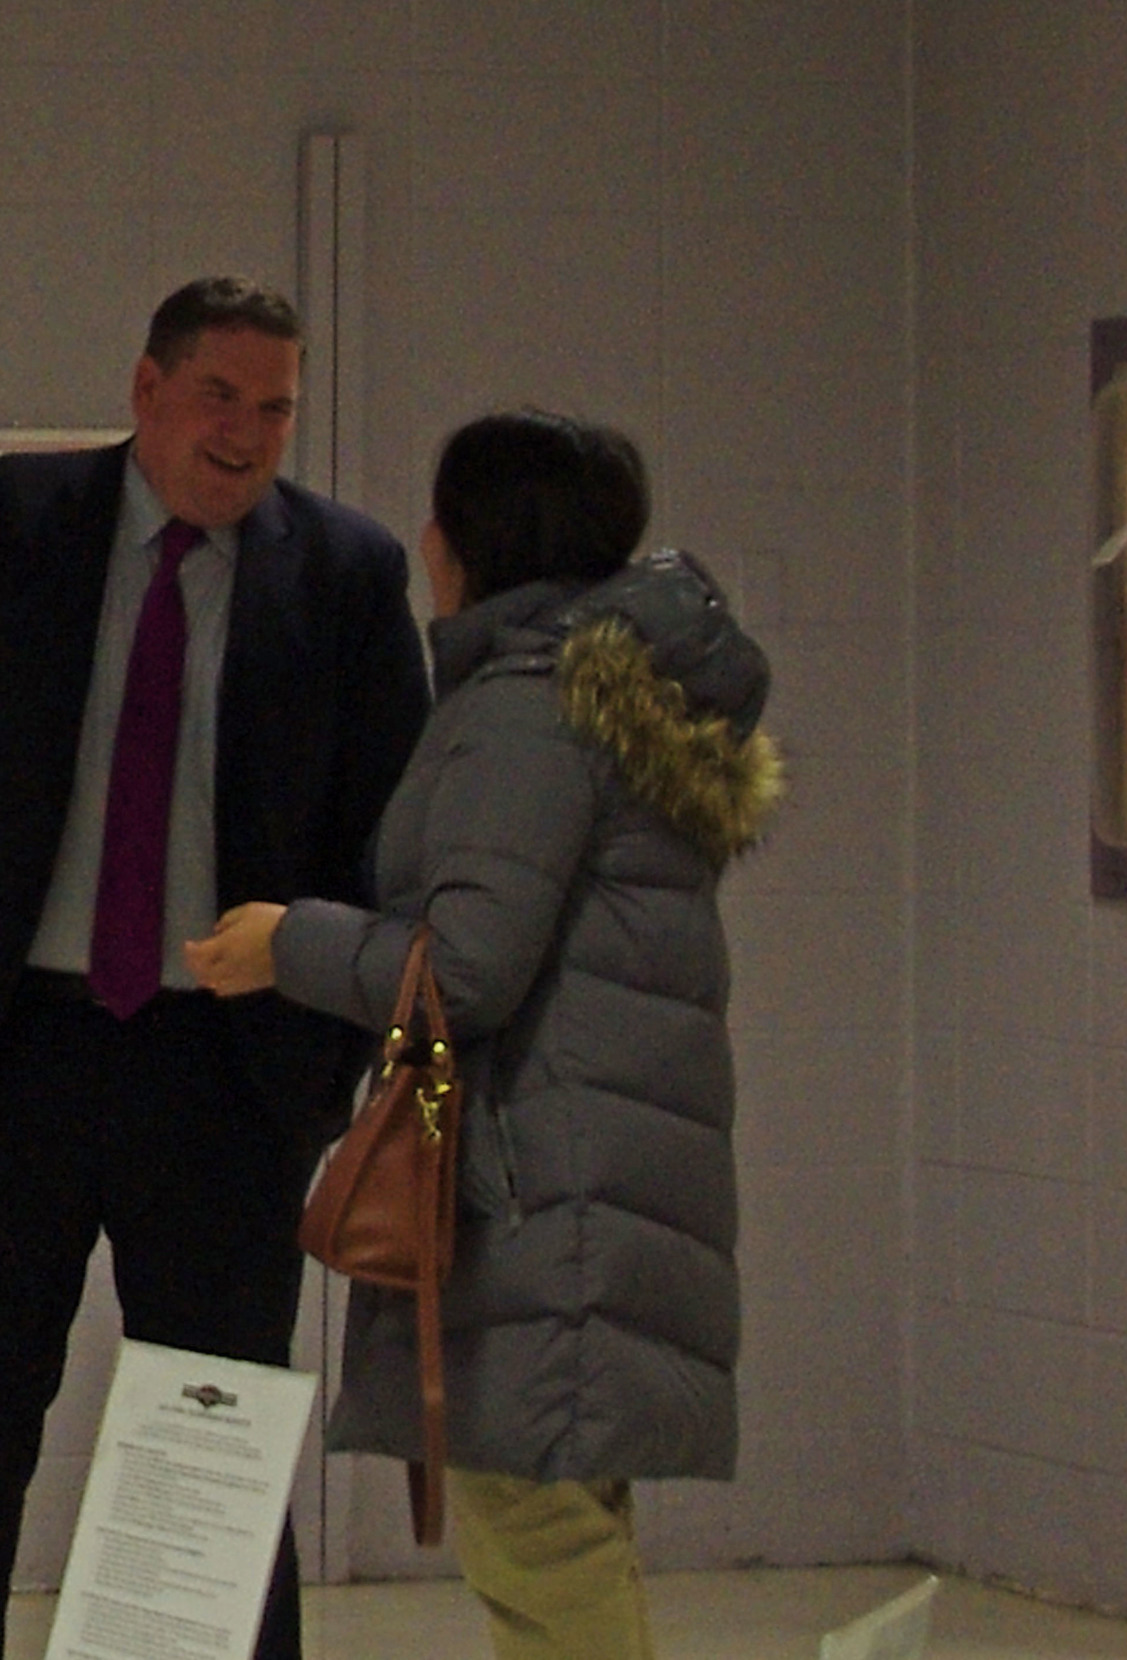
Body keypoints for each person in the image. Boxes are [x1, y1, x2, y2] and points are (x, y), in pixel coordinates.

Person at [0, 275, 429, 1660]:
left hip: (225, 1070)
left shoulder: (344, 576)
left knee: (212, 1456)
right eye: (220, 396)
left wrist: (323, 1055)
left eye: (276, 407)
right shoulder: (8, 526)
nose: (248, 433)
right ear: (147, 391)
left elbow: (386, 835)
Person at [186, 410, 783, 1660]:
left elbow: (465, 967)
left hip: (541, 1204)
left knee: (542, 1549)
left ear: (470, 543)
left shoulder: (527, 711)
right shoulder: (603, 695)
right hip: (586, 1185)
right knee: (560, 1537)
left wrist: (283, 943)